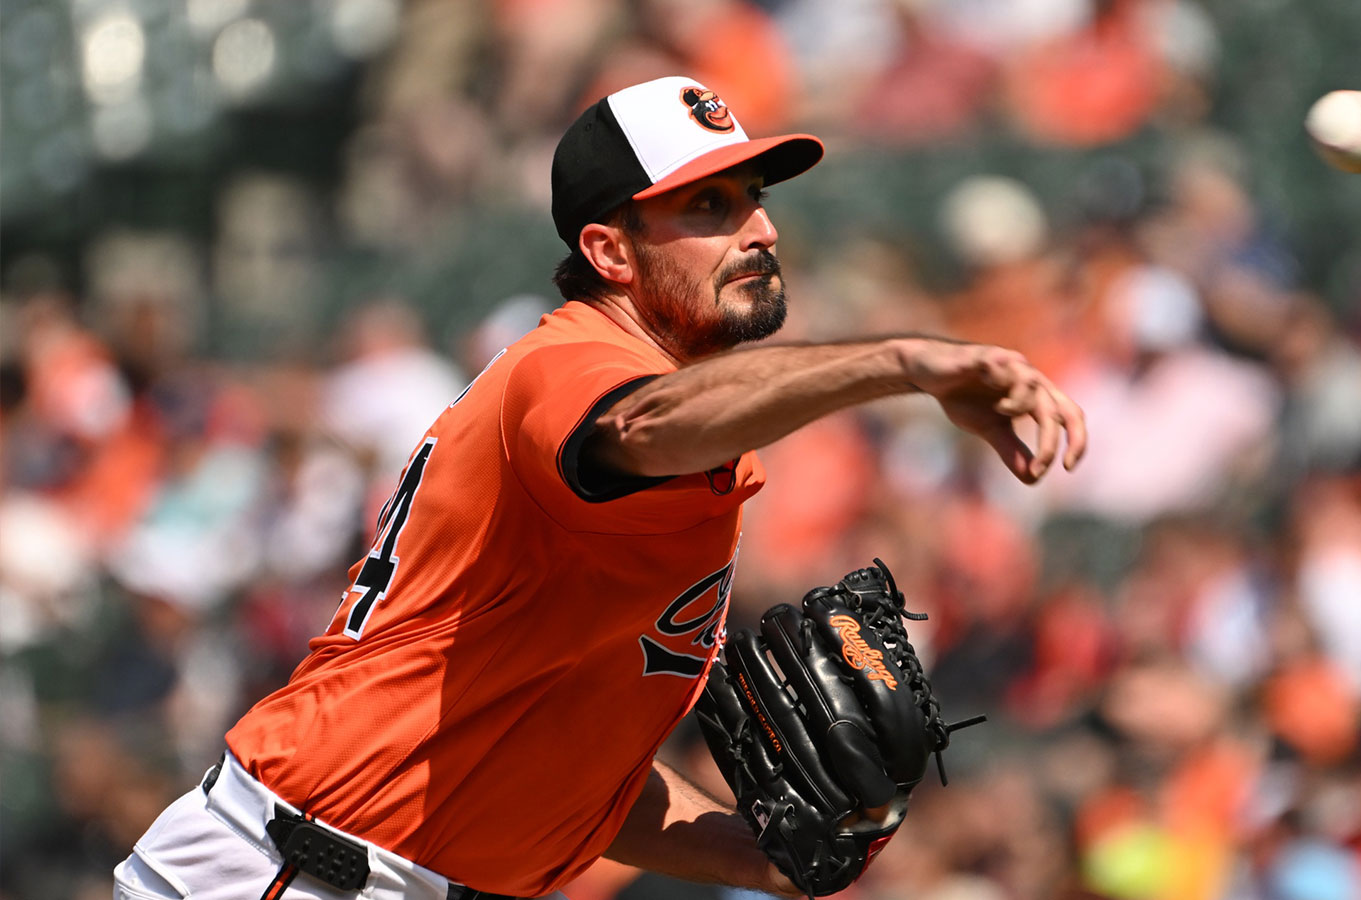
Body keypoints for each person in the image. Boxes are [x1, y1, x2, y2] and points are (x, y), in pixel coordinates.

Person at [111, 76, 1087, 900]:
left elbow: (571, 774)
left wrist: (762, 856)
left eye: (752, 196)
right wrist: (907, 363)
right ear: (610, 252)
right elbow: (638, 425)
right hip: (295, 871)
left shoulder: (684, 444)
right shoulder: (570, 367)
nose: (763, 228)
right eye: (710, 207)